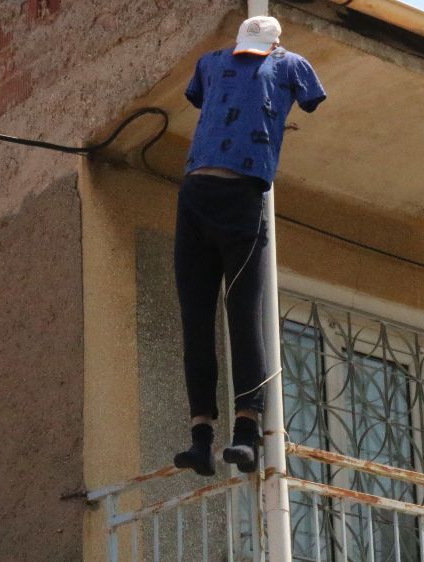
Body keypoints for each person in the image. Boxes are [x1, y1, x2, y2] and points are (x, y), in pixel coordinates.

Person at [172, 15, 326, 476]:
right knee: (195, 317)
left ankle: (245, 434)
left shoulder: (290, 64)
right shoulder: (210, 61)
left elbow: (313, 99)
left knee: (244, 314)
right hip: (196, 194)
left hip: (243, 194)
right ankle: (201, 437)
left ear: (276, 46)